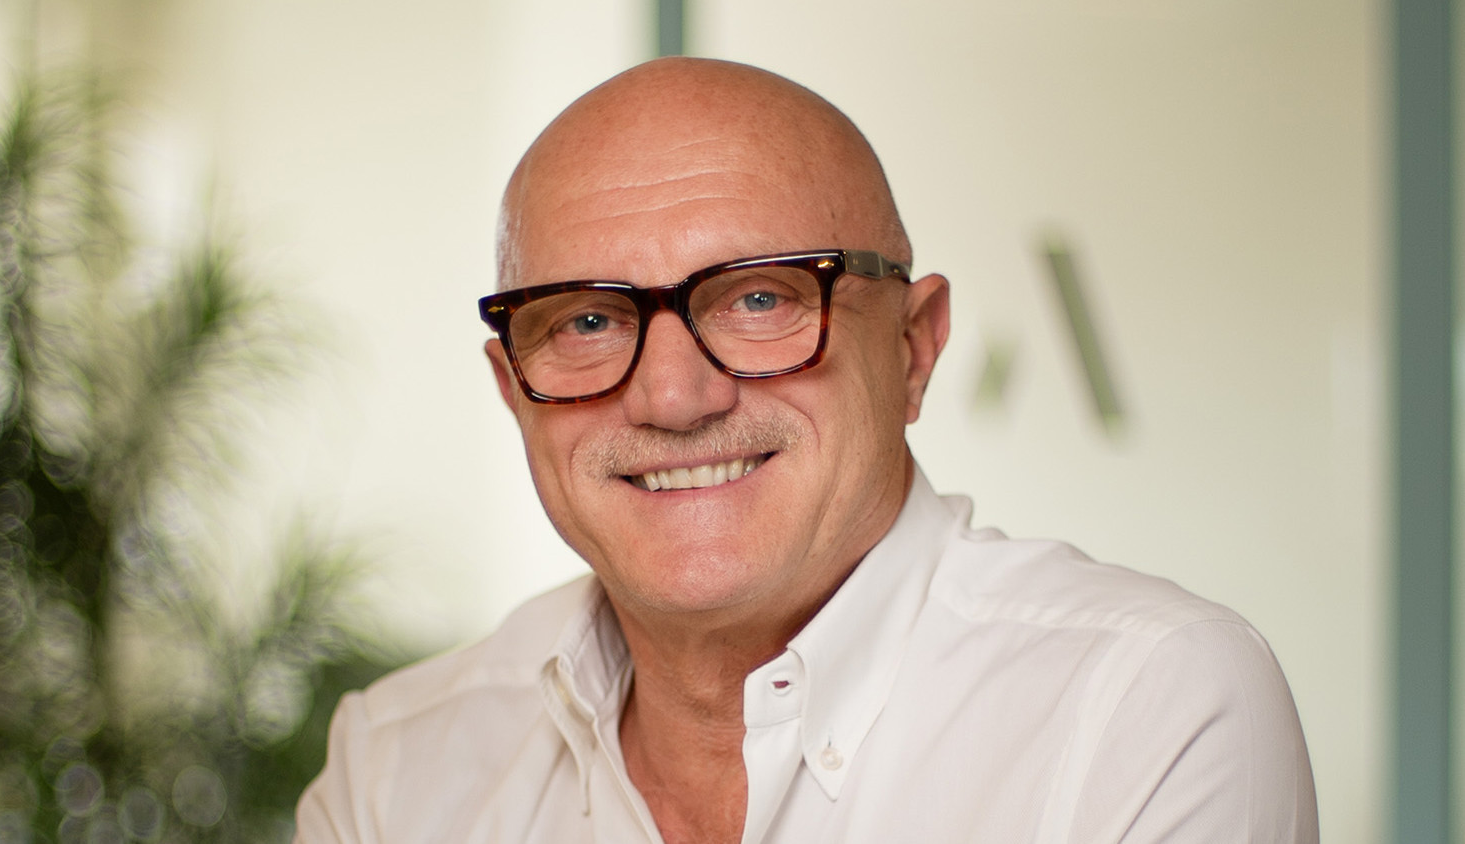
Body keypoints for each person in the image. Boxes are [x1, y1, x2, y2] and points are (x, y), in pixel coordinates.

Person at [294, 57, 1318, 843]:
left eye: (758, 299)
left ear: (913, 349)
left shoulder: (1144, 709)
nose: (672, 396)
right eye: (589, 322)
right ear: (513, 390)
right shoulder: (394, 767)